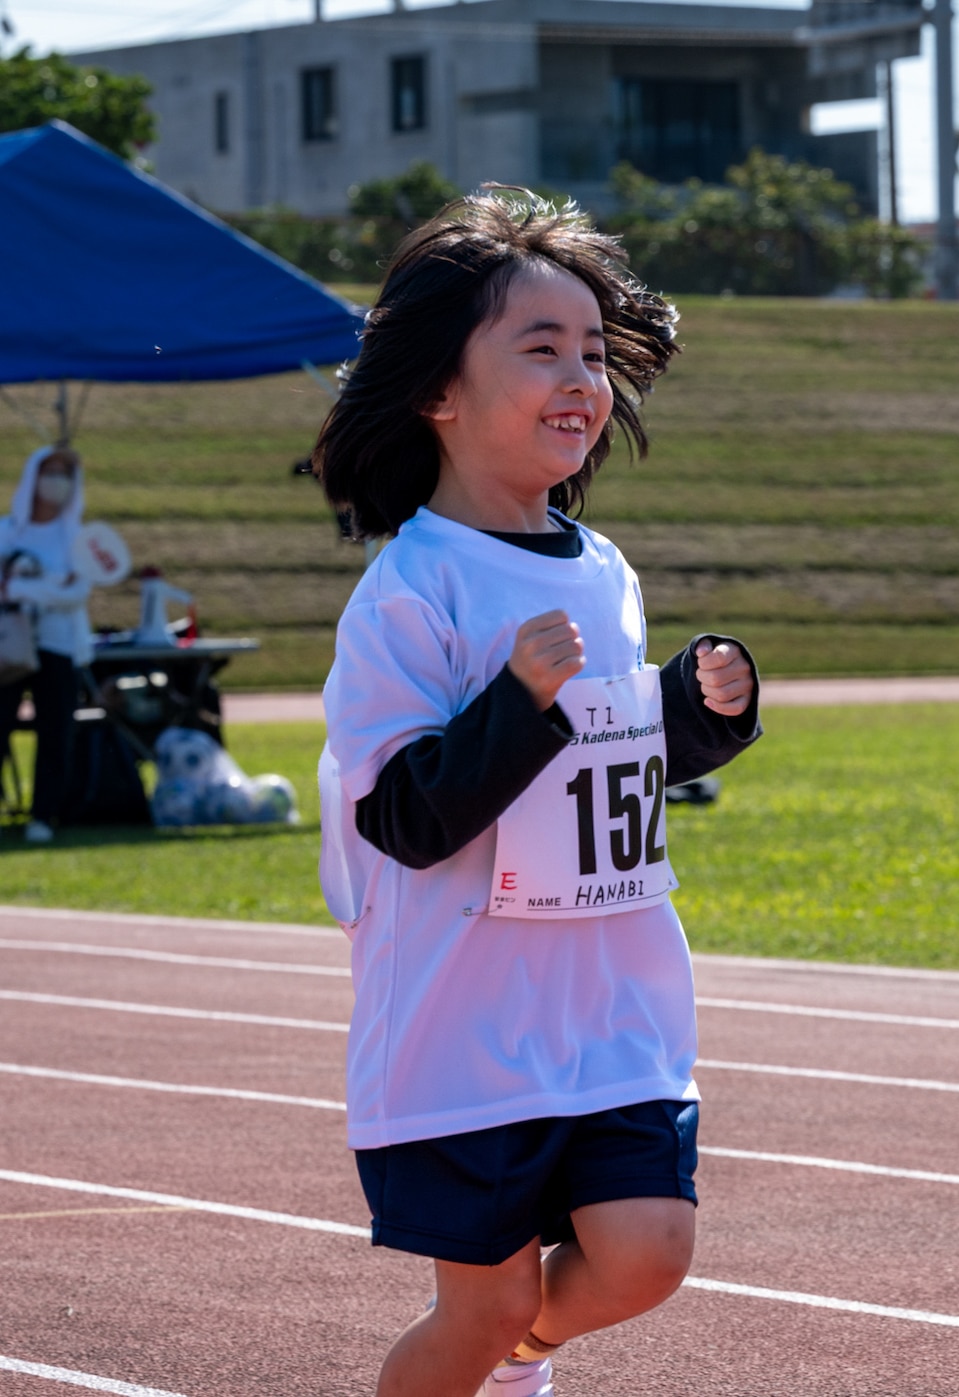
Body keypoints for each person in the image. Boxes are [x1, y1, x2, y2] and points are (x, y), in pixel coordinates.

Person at [314, 192, 760, 1397]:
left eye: (590, 349)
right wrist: (514, 700)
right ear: (437, 393)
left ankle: (525, 1353)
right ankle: (502, 1345)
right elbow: (405, 816)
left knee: (646, 1255)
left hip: (611, 1002)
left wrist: (699, 711)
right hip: (463, 1025)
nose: (581, 375)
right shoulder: (409, 593)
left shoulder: (603, 569)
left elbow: (604, 764)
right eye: (539, 347)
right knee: (490, 1292)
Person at [0, 446, 93, 844]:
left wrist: (19, 587)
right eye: (49, 472)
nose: (57, 482)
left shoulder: (77, 537)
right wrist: (53, 586)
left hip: (59, 645)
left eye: (64, 474)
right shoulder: (7, 531)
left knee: (56, 731)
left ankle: (44, 815)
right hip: (9, 646)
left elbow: (78, 593)